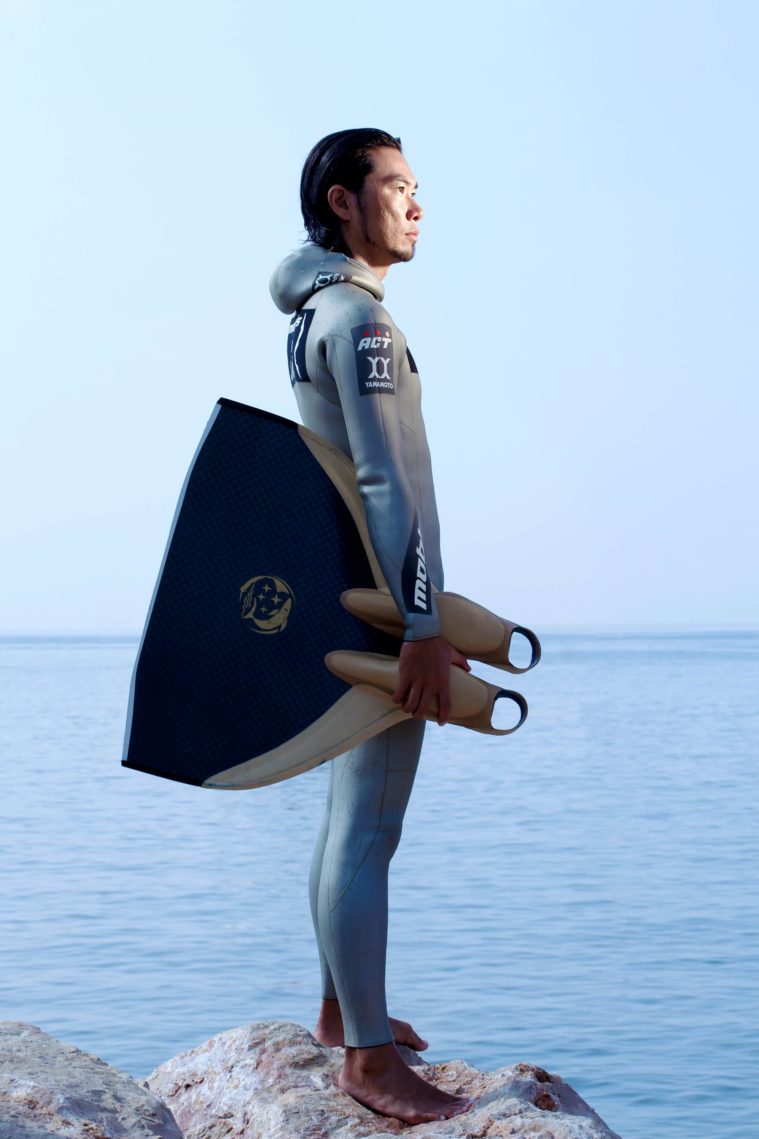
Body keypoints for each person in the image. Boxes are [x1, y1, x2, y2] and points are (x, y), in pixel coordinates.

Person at [269, 129, 475, 1125]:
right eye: (396, 186)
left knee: (346, 817)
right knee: (371, 826)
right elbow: (393, 481)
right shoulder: (362, 324)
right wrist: (427, 625)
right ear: (345, 204)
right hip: (387, 605)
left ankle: (340, 1004)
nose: (416, 202)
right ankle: (369, 1060)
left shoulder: (313, 313)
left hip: (339, 591)